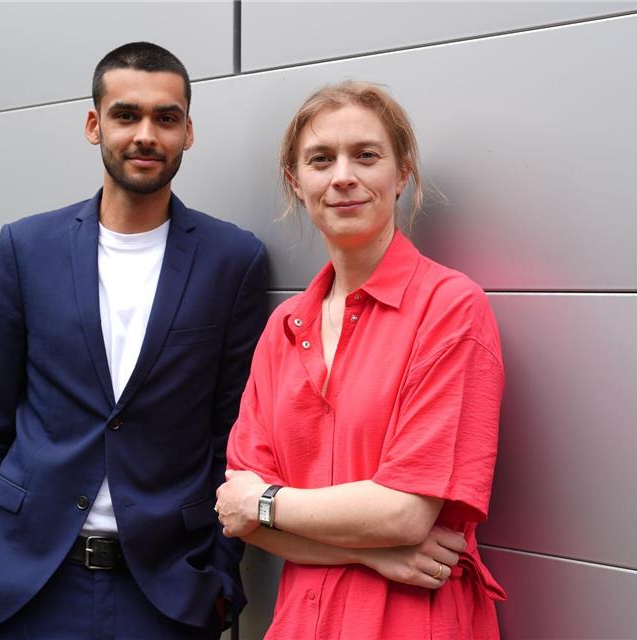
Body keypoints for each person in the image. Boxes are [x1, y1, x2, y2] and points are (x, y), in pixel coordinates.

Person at [0, 42, 269, 639]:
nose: (146, 134)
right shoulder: (25, 249)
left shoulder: (234, 261)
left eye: (165, 118)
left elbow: (236, 434)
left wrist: (218, 582)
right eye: (126, 115)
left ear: (188, 131)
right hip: (27, 588)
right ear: (95, 124)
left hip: (167, 594)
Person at [216, 81, 507, 639]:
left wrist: (269, 502)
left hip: (412, 620)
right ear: (296, 183)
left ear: (401, 175)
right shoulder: (284, 328)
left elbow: (404, 514)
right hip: (303, 622)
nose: (342, 176)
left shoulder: (449, 308)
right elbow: (237, 513)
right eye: (320, 159)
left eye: (366, 155)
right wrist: (370, 555)